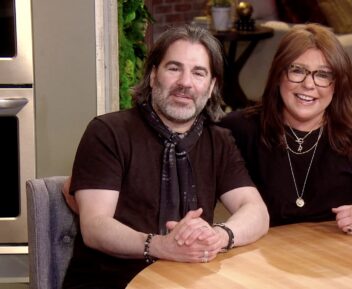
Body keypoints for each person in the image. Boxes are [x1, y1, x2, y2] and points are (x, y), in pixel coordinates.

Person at [62, 24, 269, 289]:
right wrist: (161, 246)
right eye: (174, 68)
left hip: (186, 281)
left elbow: (256, 211)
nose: (185, 82)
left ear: (211, 85)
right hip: (112, 281)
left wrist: (220, 235)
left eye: (198, 72)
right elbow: (96, 227)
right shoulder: (108, 132)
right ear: (152, 75)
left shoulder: (218, 141)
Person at [219, 23, 352, 235]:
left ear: (337, 84)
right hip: (261, 263)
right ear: (278, 75)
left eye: (323, 75)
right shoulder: (239, 128)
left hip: (340, 262)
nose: (308, 84)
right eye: (297, 70)